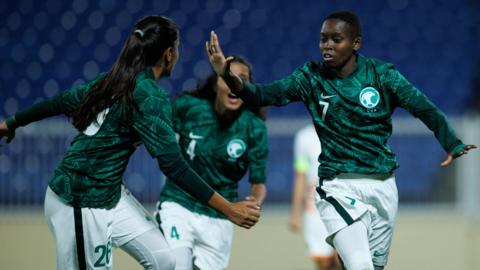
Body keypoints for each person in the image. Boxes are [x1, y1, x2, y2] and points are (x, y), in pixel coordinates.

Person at [206, 10, 477, 270]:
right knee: (360, 265)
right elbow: (263, 95)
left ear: (355, 43)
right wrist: (226, 74)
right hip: (338, 186)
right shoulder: (310, 77)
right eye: (323, 39)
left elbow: (424, 107)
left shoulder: (382, 75)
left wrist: (451, 141)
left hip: (383, 188)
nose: (327, 45)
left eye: (337, 39)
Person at [0, 15, 261, 270]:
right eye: (177, 49)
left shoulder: (113, 79)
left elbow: (59, 101)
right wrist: (229, 209)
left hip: (109, 193)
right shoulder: (149, 96)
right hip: (80, 200)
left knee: (165, 261)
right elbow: (174, 167)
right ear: (169, 54)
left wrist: (12, 122)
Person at [155, 55, 268, 270]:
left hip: (221, 217)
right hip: (179, 205)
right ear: (217, 82)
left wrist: (254, 204)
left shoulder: (255, 128)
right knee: (177, 265)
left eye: (242, 79)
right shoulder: (188, 107)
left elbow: (259, 182)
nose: (235, 85)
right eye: (228, 78)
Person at [290, 124, 340, 270]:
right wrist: (295, 213)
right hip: (315, 208)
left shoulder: (344, 130)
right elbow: (300, 174)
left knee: (342, 259)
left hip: (342, 203)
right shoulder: (304, 137)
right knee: (323, 263)